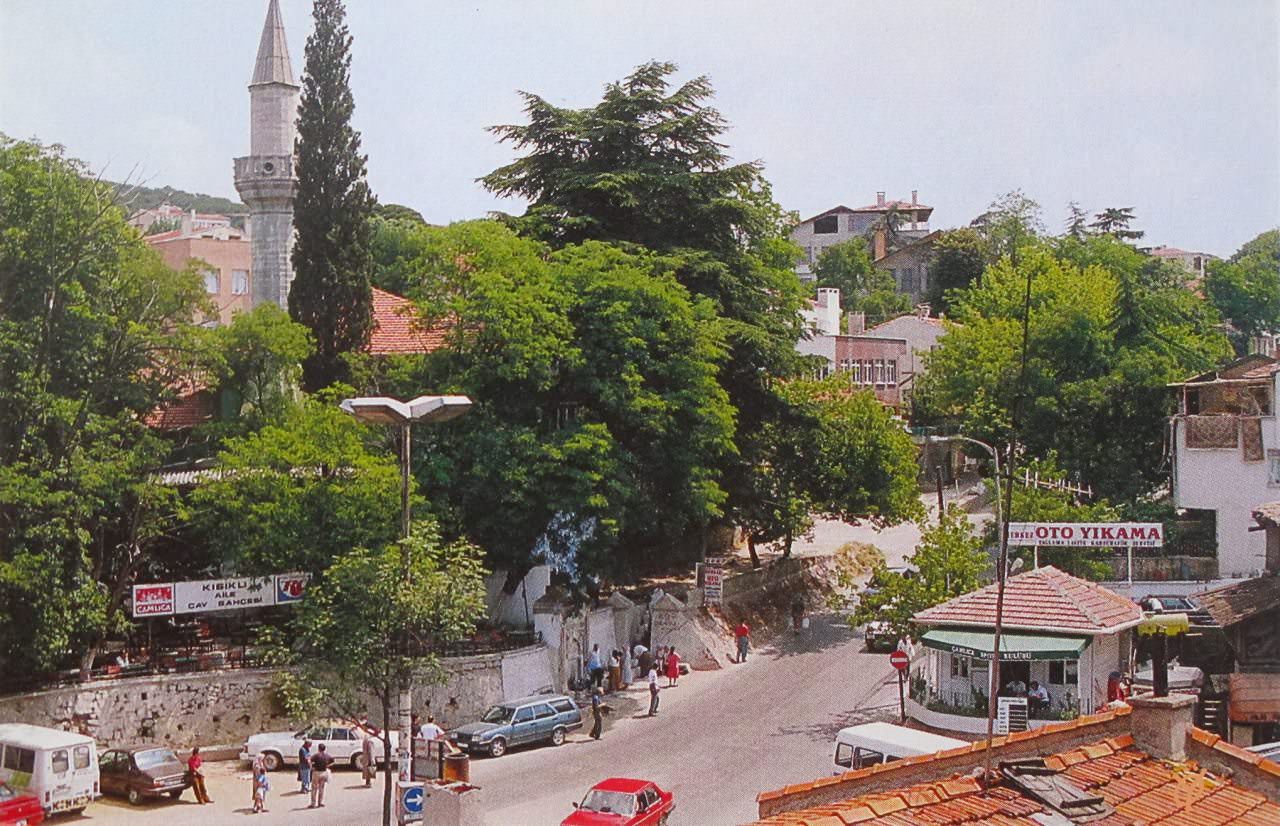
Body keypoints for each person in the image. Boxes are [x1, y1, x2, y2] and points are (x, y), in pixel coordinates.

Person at [308, 743, 334, 808]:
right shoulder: (327, 756)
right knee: (321, 788)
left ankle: (313, 803)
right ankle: (320, 802)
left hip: (316, 772)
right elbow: (333, 761)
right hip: (324, 772)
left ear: (318, 748)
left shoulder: (316, 755)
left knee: (314, 788)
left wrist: (311, 767)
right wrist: (327, 766)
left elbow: (309, 760)